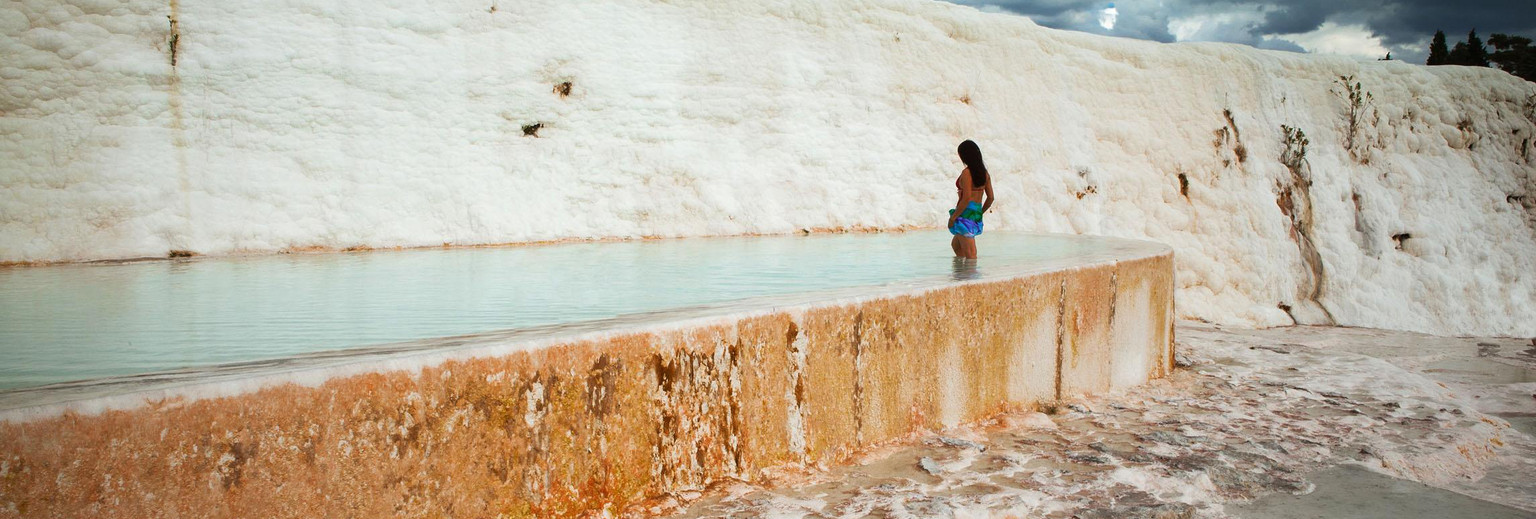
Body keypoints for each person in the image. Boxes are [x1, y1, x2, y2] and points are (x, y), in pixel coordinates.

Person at [948, 140, 994, 259]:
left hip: (965, 215)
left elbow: (967, 198)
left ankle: (972, 276)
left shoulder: (967, 173)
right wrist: (979, 212)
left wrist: (953, 218)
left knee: (971, 255)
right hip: (974, 214)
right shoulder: (985, 174)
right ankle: (961, 275)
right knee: (956, 245)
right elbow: (990, 198)